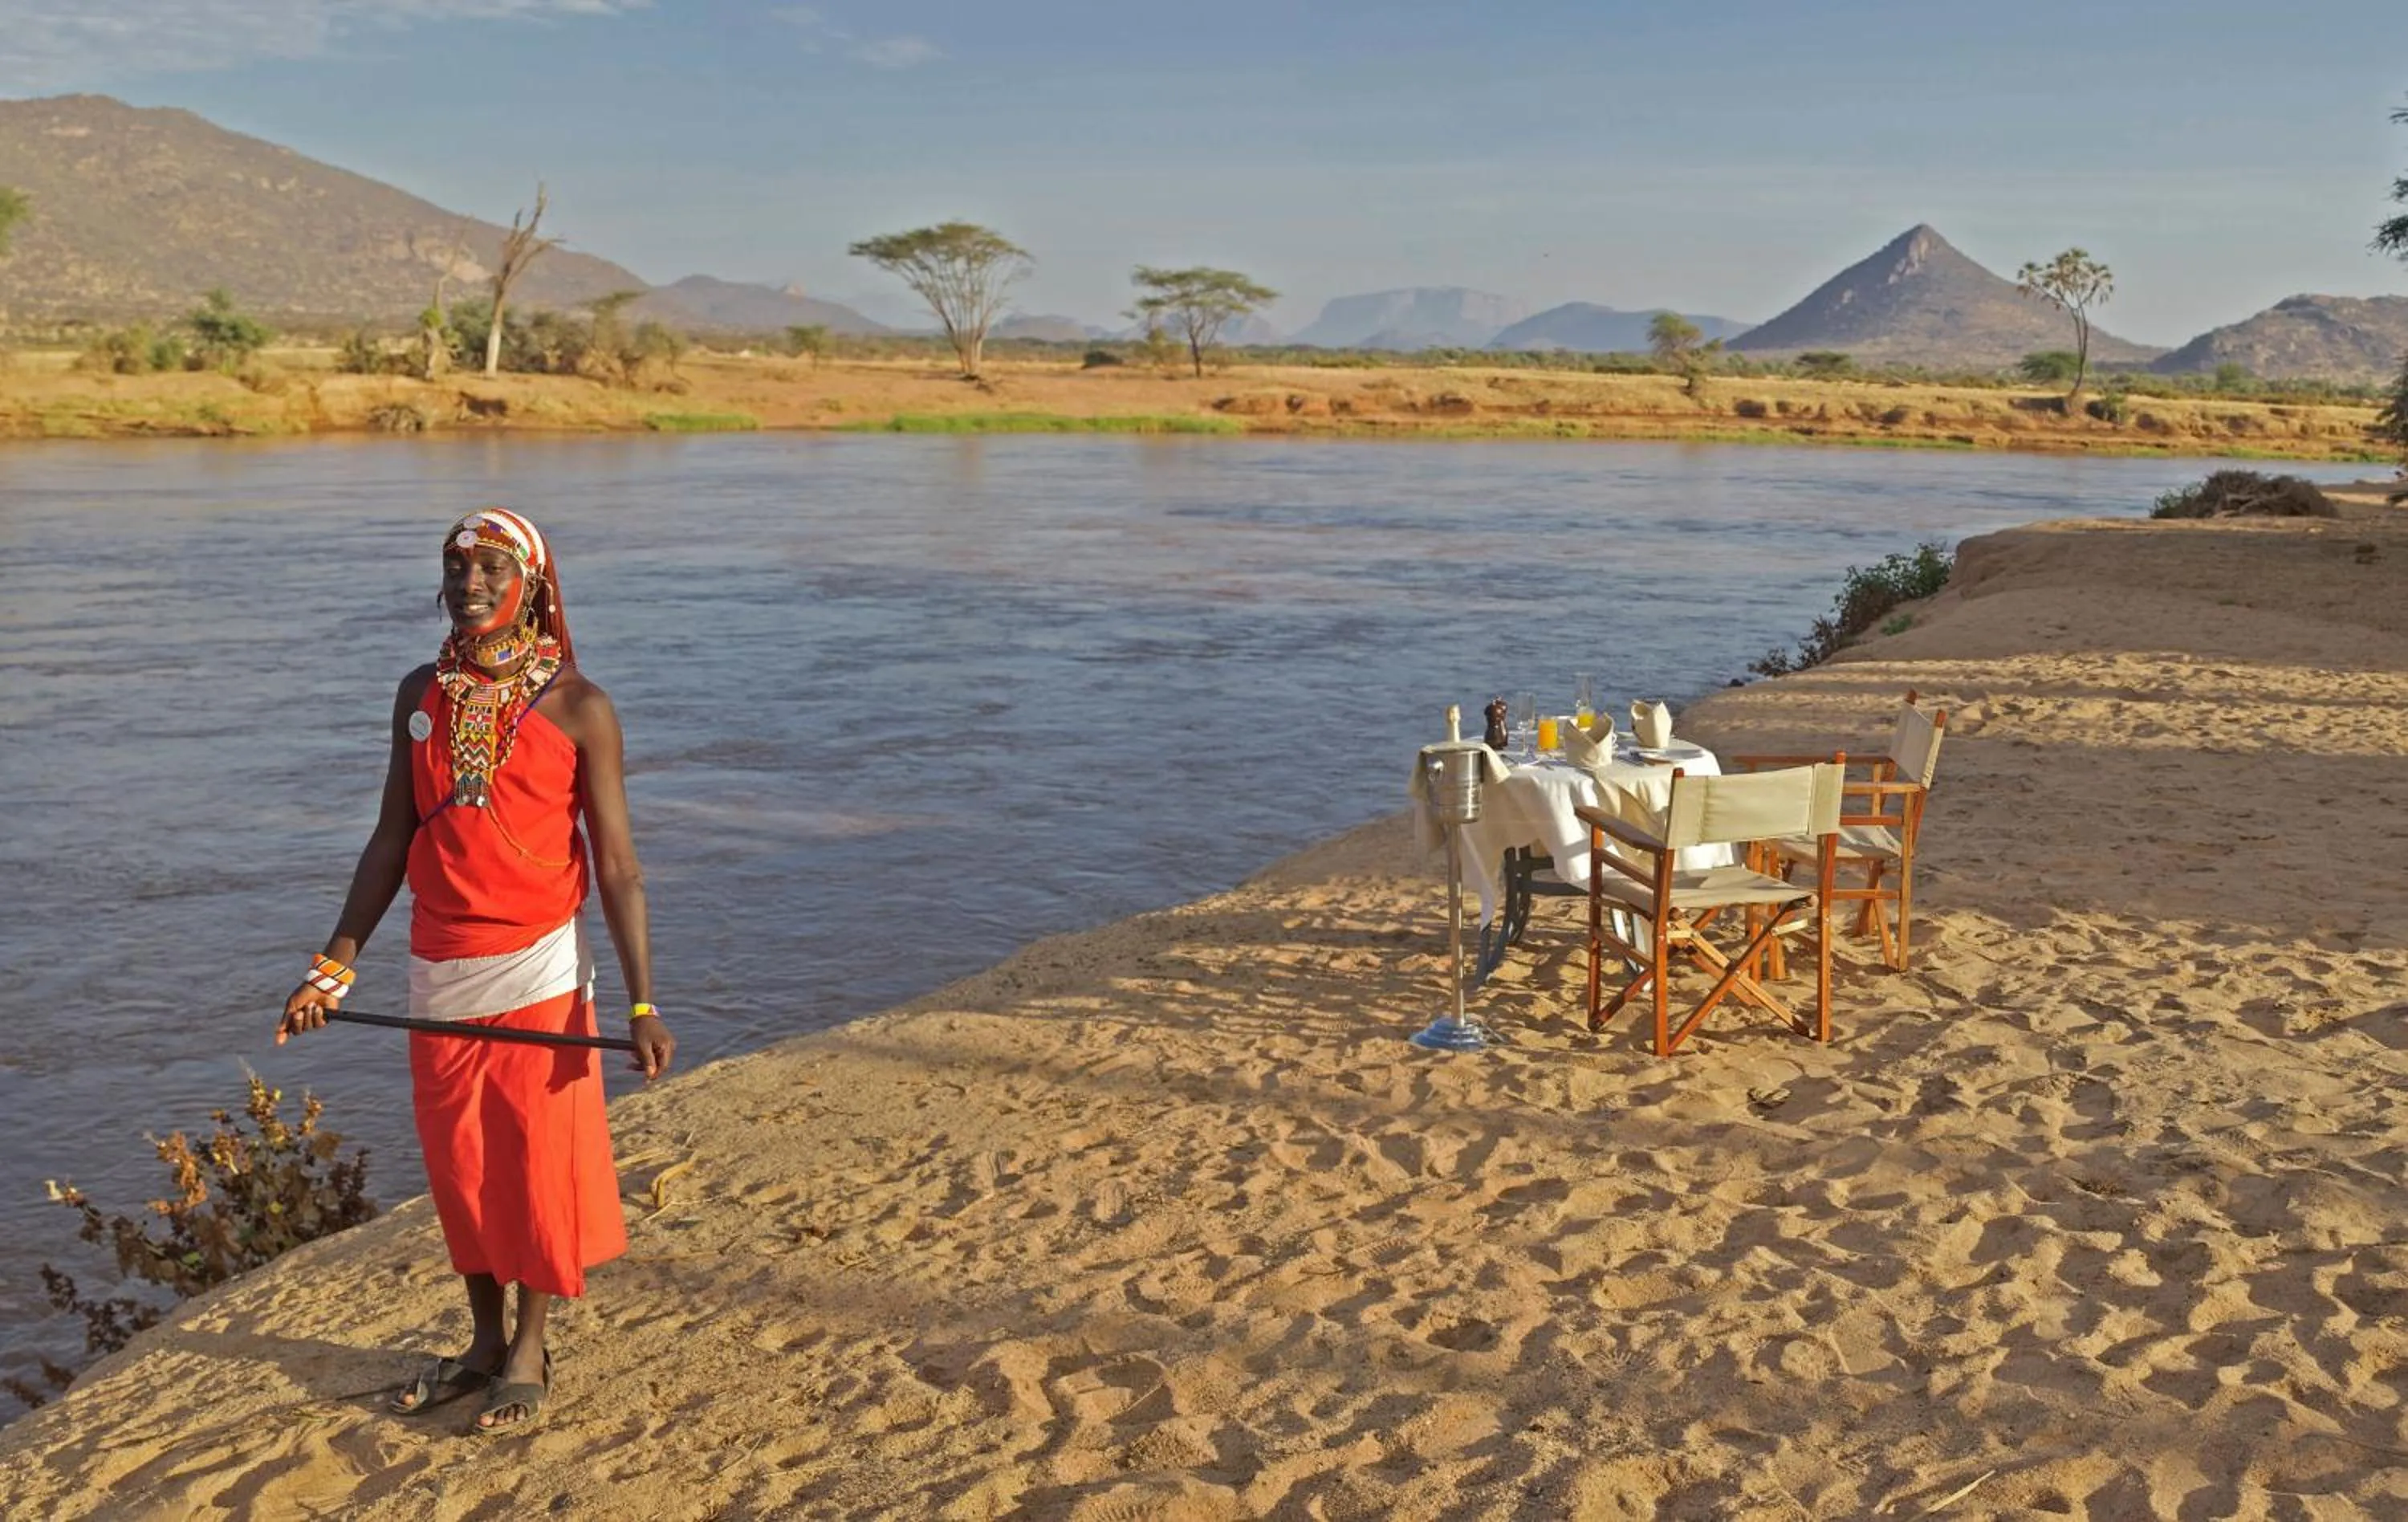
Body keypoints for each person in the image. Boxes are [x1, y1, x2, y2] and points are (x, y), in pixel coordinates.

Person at [277, 507, 673, 1435]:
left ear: (533, 585)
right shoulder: (421, 692)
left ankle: (532, 1346)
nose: (472, 584)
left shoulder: (581, 707)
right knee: (462, 1168)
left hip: (539, 968)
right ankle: (484, 1341)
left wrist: (645, 1001)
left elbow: (617, 866)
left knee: (533, 1164)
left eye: (494, 568)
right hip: (439, 969)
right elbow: (391, 838)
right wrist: (334, 967)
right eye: (458, 569)